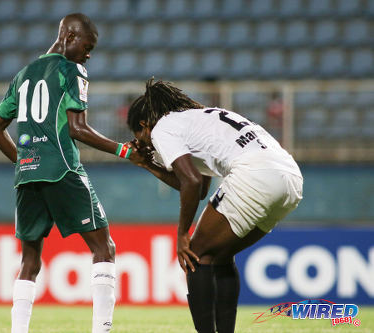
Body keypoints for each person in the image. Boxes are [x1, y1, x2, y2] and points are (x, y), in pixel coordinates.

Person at [0, 13, 137, 333]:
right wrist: (123, 150)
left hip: (27, 175)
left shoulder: (24, 74)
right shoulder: (72, 70)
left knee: (29, 262)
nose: (89, 54)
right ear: (69, 37)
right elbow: (77, 129)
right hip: (62, 170)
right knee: (104, 248)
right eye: (87, 45)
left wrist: (24, 159)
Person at [127, 79, 303, 333]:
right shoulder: (196, 119)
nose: (147, 145)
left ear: (144, 125)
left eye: (141, 138)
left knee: (196, 255)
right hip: (290, 178)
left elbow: (191, 181)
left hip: (256, 174)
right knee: (219, 256)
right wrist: (147, 164)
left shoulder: (161, 129)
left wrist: (181, 235)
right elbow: (198, 188)